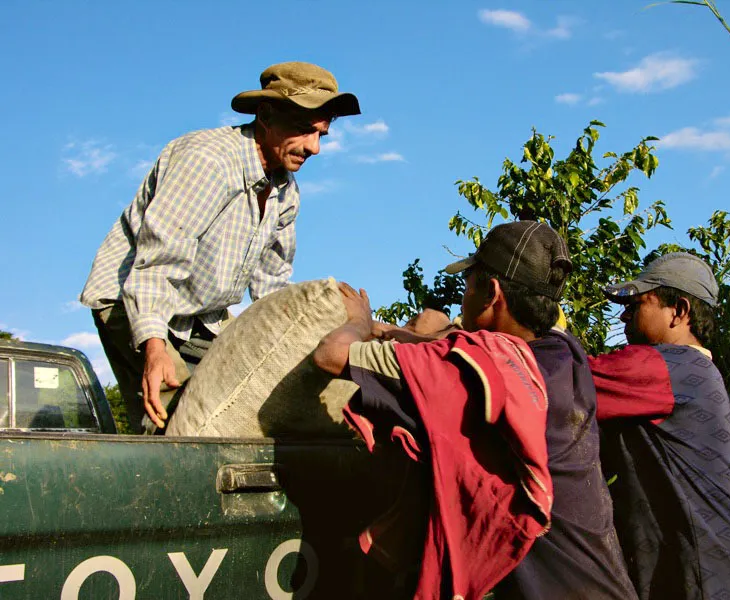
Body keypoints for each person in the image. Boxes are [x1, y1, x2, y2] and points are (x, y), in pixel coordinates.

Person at [314, 221, 636, 599]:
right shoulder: (565, 354)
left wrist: (357, 322)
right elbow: (449, 348)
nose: (462, 298)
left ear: (491, 292)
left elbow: (329, 355)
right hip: (603, 582)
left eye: (468, 284)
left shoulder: (475, 371)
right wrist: (386, 331)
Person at [80, 62, 360, 433]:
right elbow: (157, 262)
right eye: (305, 130)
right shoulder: (208, 161)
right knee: (176, 417)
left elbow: (271, 289)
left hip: (202, 315)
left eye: (321, 134)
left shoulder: (286, 193)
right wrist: (153, 345)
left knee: (237, 395)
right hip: (135, 299)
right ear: (265, 114)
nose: (315, 147)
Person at [590, 252, 730, 599]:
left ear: (679, 311)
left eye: (638, 303)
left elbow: (563, 377)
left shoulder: (667, 367)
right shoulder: (696, 374)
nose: (625, 315)